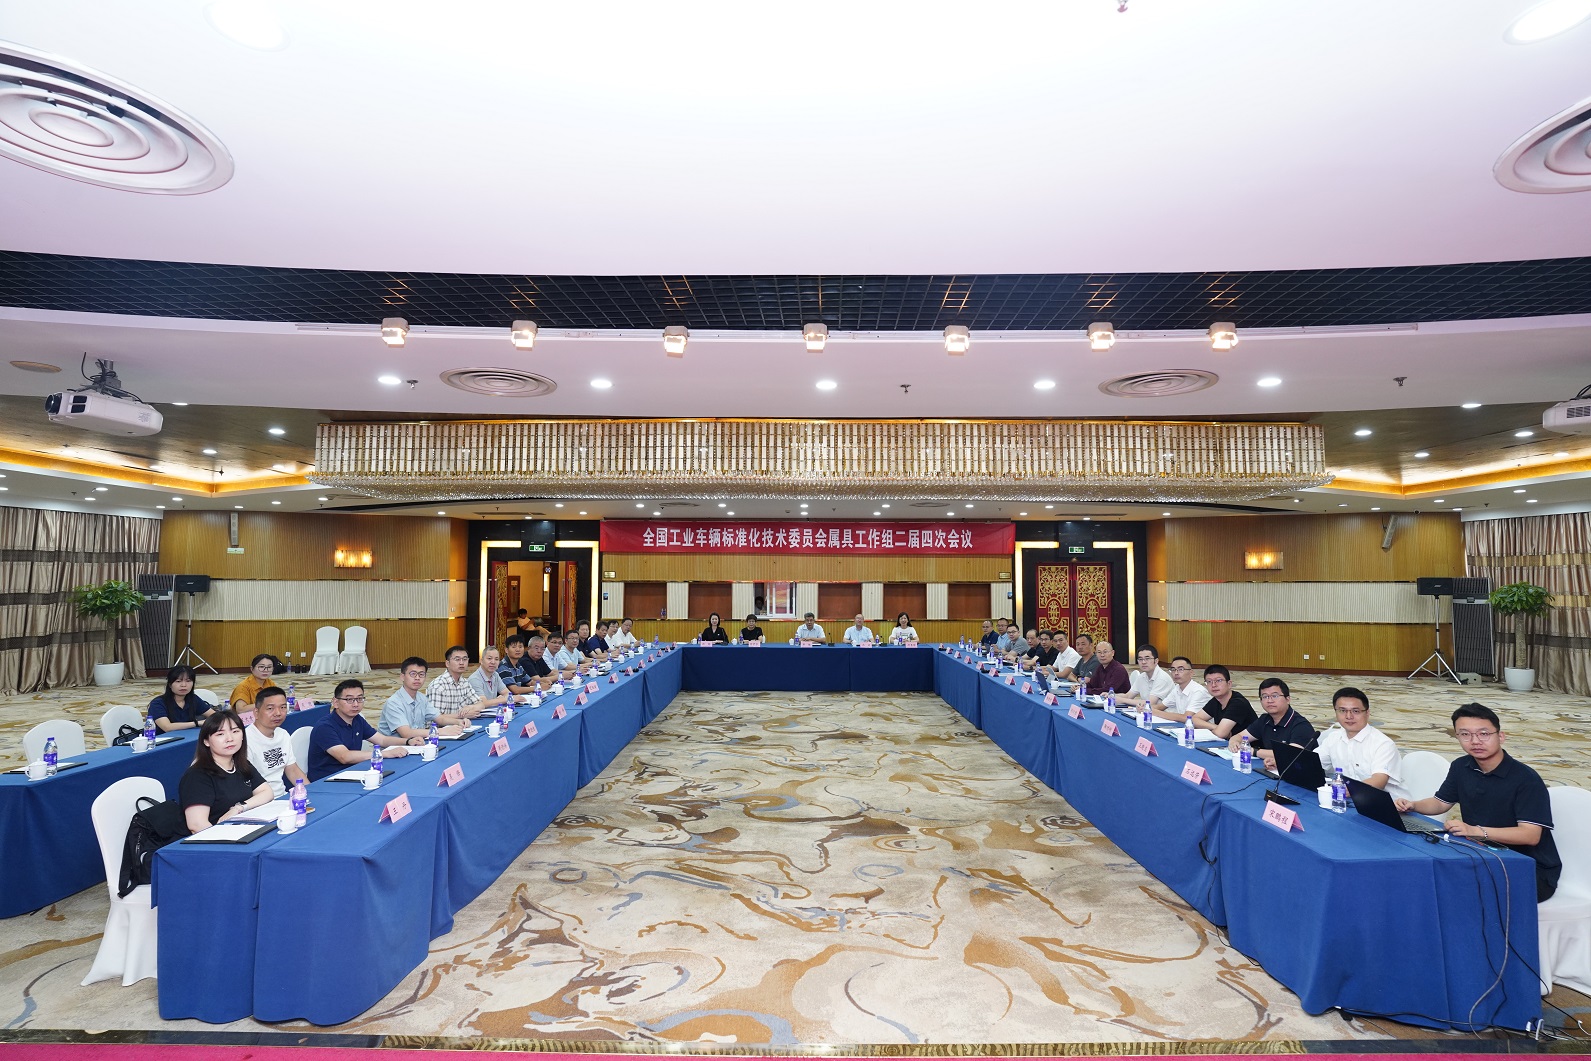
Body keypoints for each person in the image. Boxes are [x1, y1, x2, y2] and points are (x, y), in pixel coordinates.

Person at [1396, 702, 1560, 902]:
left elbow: (1530, 835)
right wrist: (1413, 805)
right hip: (1481, 853)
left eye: (1484, 734)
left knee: (1451, 890)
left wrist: (1475, 831)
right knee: (1423, 876)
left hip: (1528, 869)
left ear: (1501, 736)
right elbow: (1440, 803)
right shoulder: (1461, 766)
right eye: (1465, 734)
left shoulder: (1526, 779)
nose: (1475, 741)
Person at [179, 710, 273, 834]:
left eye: (235, 731)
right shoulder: (197, 775)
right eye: (220, 734)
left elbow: (267, 792)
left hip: (242, 830)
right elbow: (197, 825)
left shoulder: (240, 764)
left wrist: (239, 808)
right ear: (206, 741)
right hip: (215, 839)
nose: (230, 739)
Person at [307, 679, 417, 782]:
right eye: (349, 700)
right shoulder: (325, 727)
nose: (355, 704)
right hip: (328, 780)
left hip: (352, 773)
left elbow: (382, 740)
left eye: (359, 699)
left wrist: (408, 741)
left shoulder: (357, 719)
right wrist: (385, 753)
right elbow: (344, 757)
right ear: (335, 702)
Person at [1311, 686, 1410, 800]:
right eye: (1342, 711)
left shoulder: (1383, 744)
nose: (1349, 716)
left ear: (1367, 713)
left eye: (1355, 711)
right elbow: (1313, 763)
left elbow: (1379, 781)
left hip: (1391, 804)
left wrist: (1350, 789)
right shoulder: (1333, 738)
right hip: (1352, 800)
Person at [1232, 677, 1316, 770]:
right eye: (1265, 696)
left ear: (1287, 699)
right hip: (1274, 769)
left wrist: (1253, 751)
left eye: (1275, 696)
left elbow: (1290, 754)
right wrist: (1234, 743)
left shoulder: (1301, 725)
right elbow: (1240, 736)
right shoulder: (1265, 719)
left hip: (1301, 773)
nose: (1270, 700)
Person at [380, 657, 468, 741]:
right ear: (402, 677)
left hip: (416, 744)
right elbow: (406, 733)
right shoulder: (393, 703)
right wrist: (440, 731)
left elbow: (439, 718)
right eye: (413, 674)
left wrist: (459, 722)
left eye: (421, 674)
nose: (417, 678)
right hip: (393, 748)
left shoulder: (421, 698)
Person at [244, 685, 307, 799]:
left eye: (283, 707)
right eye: (270, 708)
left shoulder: (283, 734)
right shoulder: (245, 739)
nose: (278, 713)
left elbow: (292, 770)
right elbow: (247, 782)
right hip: (258, 801)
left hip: (282, 797)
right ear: (256, 713)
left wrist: (311, 792)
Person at [1188, 664, 1257, 738]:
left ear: (1229, 684)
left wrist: (1218, 730)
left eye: (1218, 680)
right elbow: (1193, 719)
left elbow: (1220, 734)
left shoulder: (1238, 703)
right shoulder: (1216, 700)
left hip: (1248, 744)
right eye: (1209, 681)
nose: (1213, 685)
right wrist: (1215, 727)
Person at [427, 645, 495, 719]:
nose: (461, 663)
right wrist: (461, 716)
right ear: (447, 663)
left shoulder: (464, 682)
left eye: (465, 659)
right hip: (443, 726)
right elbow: (434, 717)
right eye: (457, 659)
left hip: (462, 723)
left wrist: (470, 707)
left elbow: (481, 704)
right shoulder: (438, 686)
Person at [147, 664, 213, 732]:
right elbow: (167, 727)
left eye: (188, 681)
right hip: (162, 738)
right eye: (178, 681)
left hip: (187, 736)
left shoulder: (193, 699)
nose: (183, 685)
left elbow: (215, 716)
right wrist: (196, 723)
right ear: (170, 684)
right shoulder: (158, 703)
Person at [1147, 656, 1211, 720]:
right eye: (1173, 669)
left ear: (1191, 673)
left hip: (1201, 726)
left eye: (1181, 669)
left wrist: (1155, 712)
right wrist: (1146, 708)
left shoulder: (1198, 691)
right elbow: (1160, 707)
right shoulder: (1177, 688)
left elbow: (1187, 717)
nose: (1176, 673)